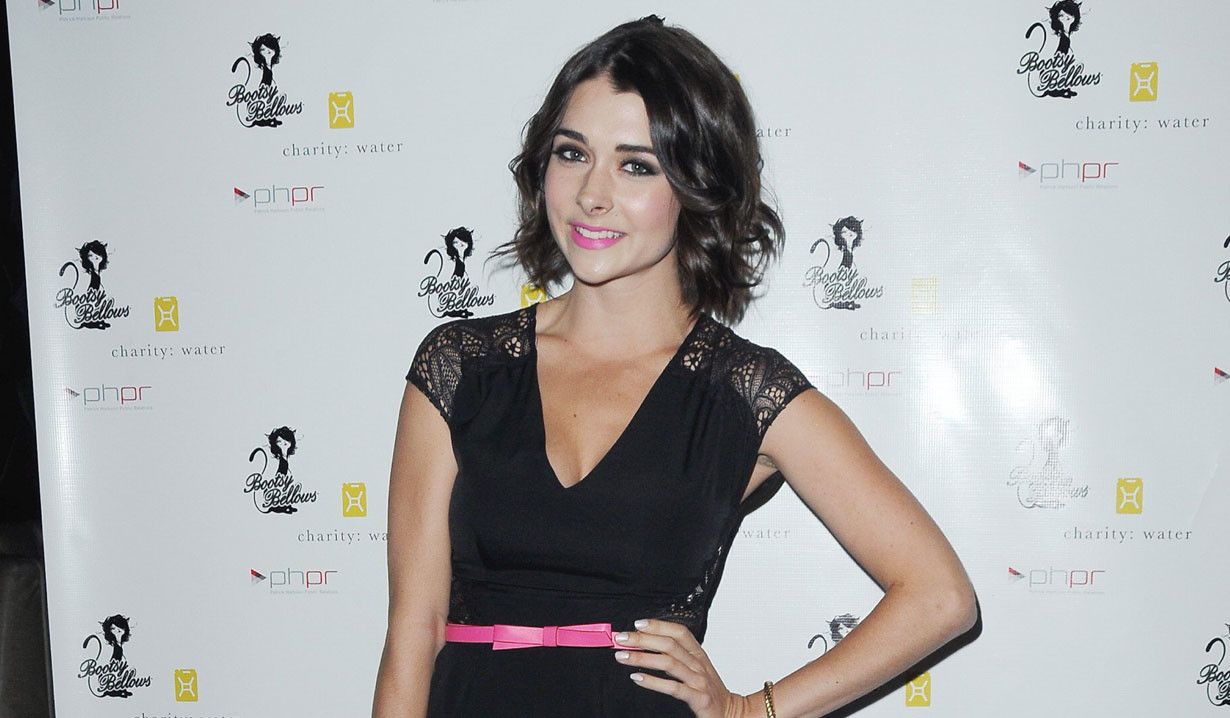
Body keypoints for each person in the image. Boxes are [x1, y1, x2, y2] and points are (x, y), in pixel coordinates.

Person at [373, 16, 976, 718]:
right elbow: (413, 632)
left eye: (636, 165)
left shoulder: (740, 394)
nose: (593, 193)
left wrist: (751, 712)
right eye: (572, 153)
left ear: (696, 183)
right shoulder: (461, 369)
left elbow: (940, 596)